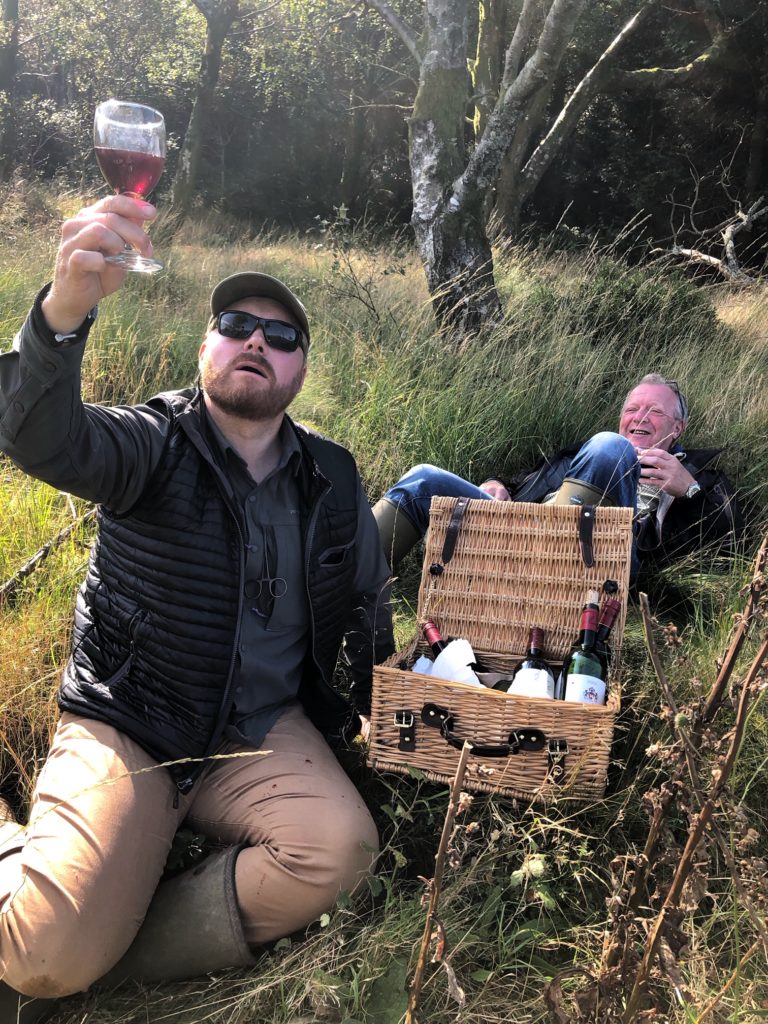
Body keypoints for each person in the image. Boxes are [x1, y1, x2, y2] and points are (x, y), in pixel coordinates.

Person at [0, 195, 394, 1015]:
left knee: (341, 854)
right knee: (40, 960)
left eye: (281, 336)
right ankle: (39, 885)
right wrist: (64, 309)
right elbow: (39, 436)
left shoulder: (335, 475)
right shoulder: (153, 442)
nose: (257, 340)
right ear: (205, 346)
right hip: (136, 718)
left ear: (300, 370)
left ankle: (105, 940)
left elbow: (365, 598)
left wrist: (381, 702)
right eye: (236, 325)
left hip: (260, 728)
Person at [374, 375, 742, 571]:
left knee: (610, 448)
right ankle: (332, 590)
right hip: (520, 533)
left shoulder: (701, 476)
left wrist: (689, 490)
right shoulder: (584, 455)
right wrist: (499, 485)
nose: (640, 418)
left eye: (655, 412)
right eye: (632, 408)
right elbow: (527, 481)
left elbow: (731, 545)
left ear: (677, 429)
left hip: (598, 561)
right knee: (423, 481)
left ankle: (548, 558)